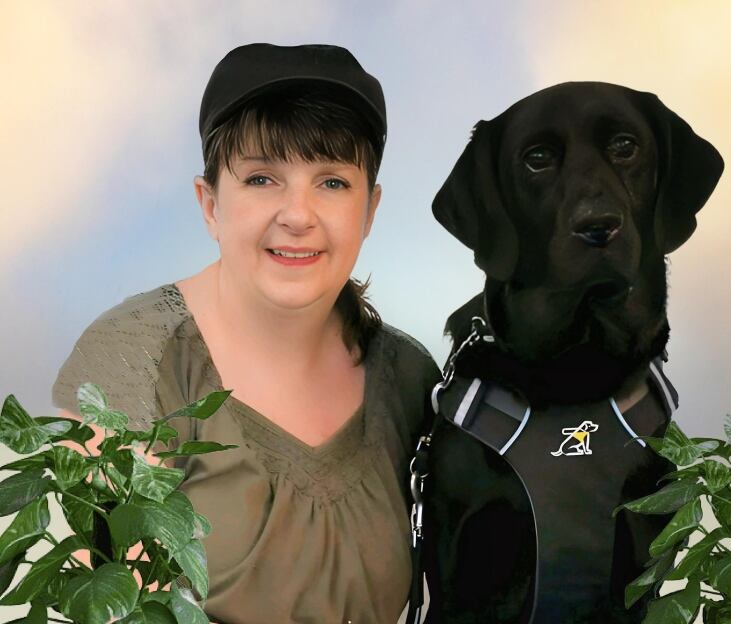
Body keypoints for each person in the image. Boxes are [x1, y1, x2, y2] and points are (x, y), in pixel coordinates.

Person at [52, 43, 440, 624]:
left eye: (332, 182)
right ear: (209, 204)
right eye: (262, 178)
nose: (298, 214)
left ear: (370, 209)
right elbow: (110, 607)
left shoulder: (410, 379)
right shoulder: (132, 356)